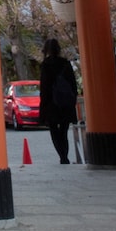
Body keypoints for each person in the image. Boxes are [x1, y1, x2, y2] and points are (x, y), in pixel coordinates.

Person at [37, 37, 78, 165]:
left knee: (54, 131)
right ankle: (64, 155)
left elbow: (44, 88)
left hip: (51, 103)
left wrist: (42, 107)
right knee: (64, 131)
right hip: (65, 103)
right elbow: (73, 85)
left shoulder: (46, 65)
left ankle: (62, 156)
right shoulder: (65, 64)